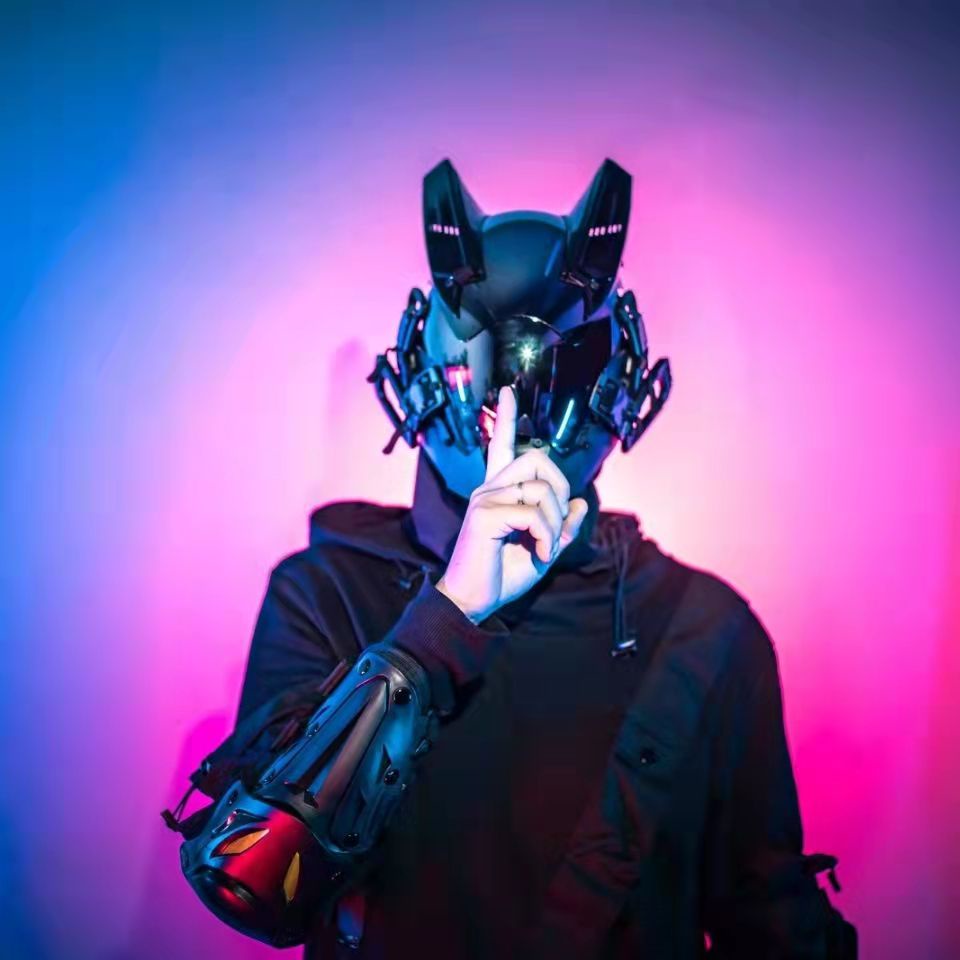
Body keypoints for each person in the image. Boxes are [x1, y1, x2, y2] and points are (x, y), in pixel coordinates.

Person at [163, 158, 857, 959]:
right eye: (496, 379)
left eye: (549, 378)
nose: (516, 411)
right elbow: (255, 881)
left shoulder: (705, 631)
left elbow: (769, 926)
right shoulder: (326, 595)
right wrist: (446, 619)